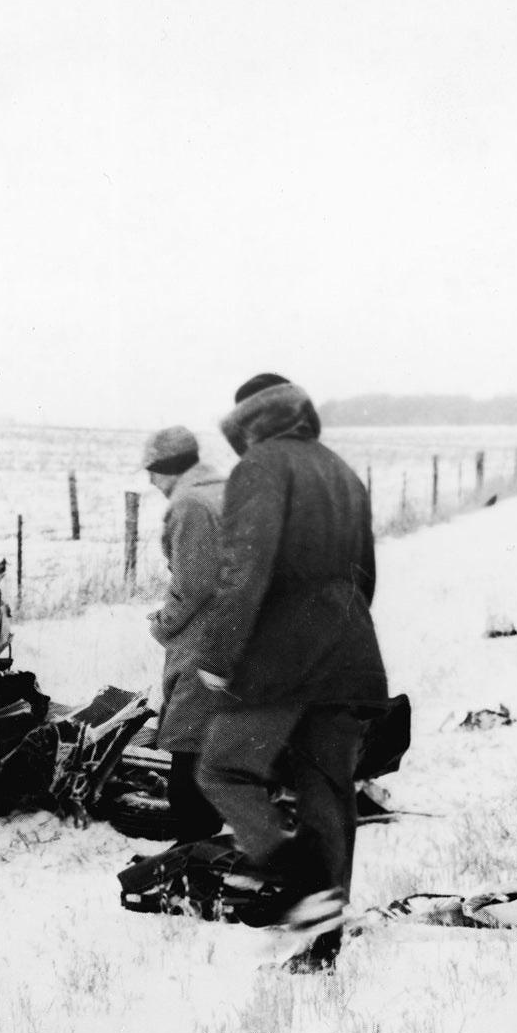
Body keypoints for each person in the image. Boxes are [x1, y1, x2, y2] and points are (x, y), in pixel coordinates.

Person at [195, 374, 386, 932]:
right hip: (350, 650)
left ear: (248, 421)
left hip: (284, 655)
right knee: (329, 796)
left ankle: (298, 879)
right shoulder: (343, 472)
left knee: (223, 768)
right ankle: (323, 939)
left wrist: (217, 653)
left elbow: (244, 568)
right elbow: (366, 575)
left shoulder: (260, 466)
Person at [140, 425, 228, 841]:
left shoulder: (190, 504)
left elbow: (194, 585)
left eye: (152, 471)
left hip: (208, 639)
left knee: (188, 755)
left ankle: (196, 860)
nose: (151, 482)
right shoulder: (224, 490)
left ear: (167, 468)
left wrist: (163, 623)